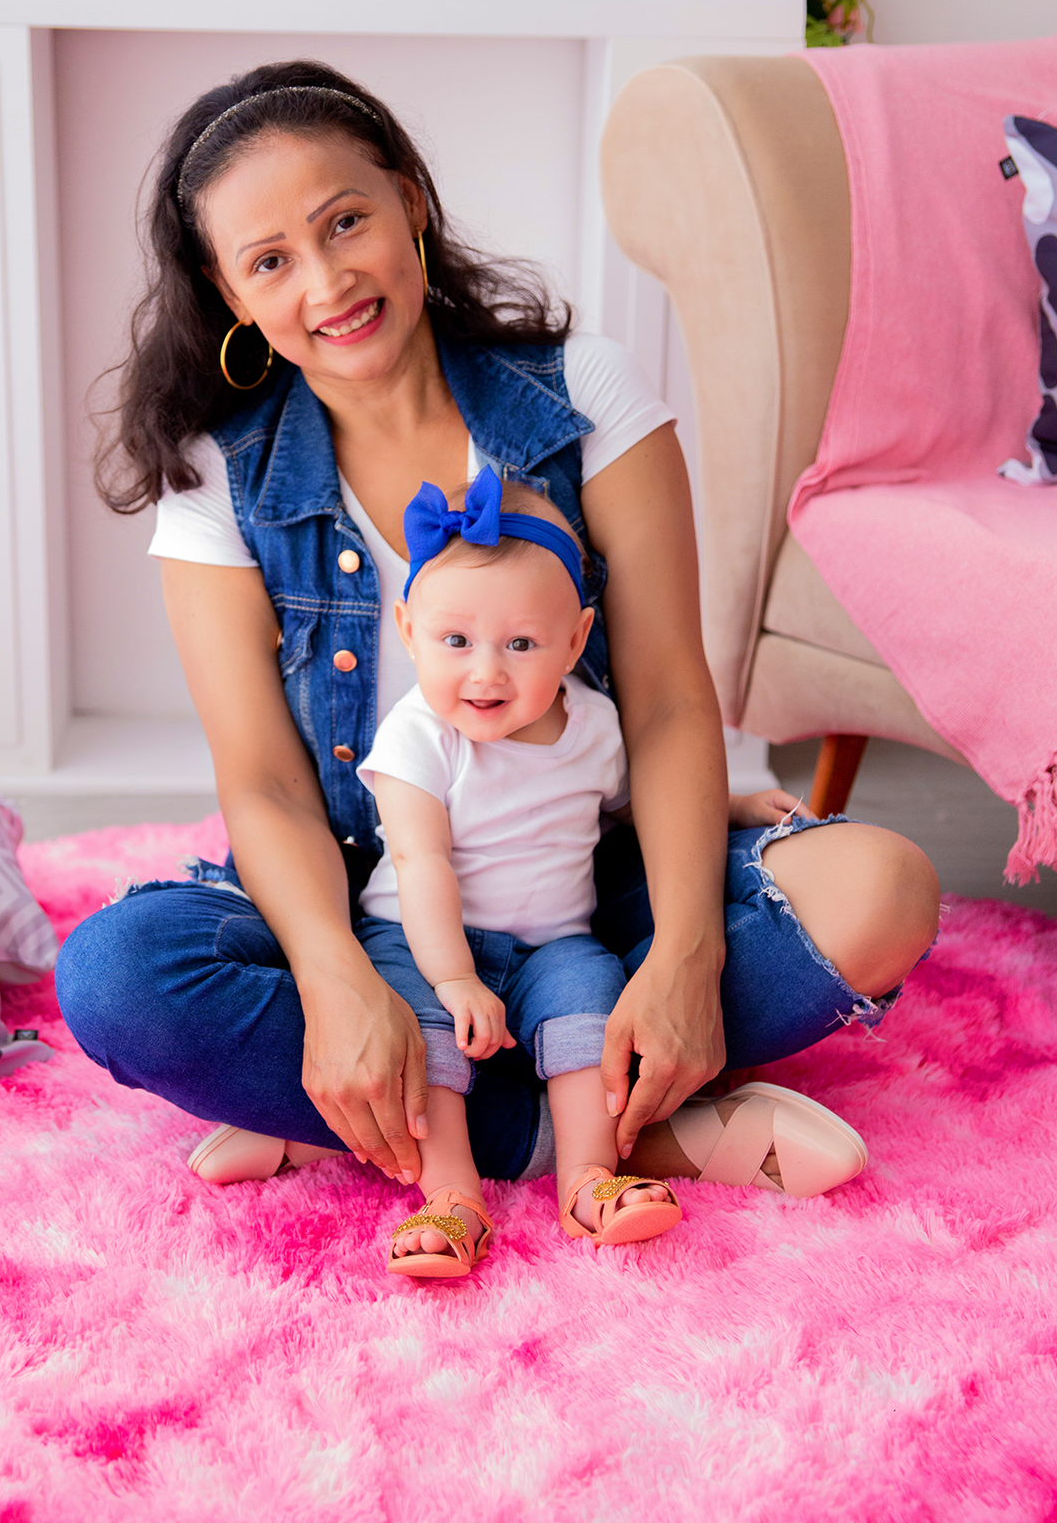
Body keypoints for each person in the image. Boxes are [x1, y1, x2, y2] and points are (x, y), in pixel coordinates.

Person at [55, 59, 941, 1213]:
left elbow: (671, 696)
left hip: (586, 879)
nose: (326, 281)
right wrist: (331, 983)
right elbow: (266, 783)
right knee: (116, 978)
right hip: (369, 895)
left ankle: (417, 1128)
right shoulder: (219, 478)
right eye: (271, 260)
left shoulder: (582, 394)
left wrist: (684, 954)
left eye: (345, 223)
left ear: (411, 203)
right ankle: (618, 1129)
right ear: (232, 298)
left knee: (886, 889)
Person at [363, 469, 681, 1275]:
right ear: (408, 630)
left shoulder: (596, 727)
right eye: (456, 642)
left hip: (552, 944)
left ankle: (588, 1178)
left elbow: (635, 806)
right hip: (422, 937)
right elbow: (421, 861)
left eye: (522, 645)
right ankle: (453, 1194)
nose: (486, 674)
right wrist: (457, 979)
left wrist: (735, 803)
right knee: (419, 1027)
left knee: (592, 1004)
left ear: (574, 641)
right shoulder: (418, 740)